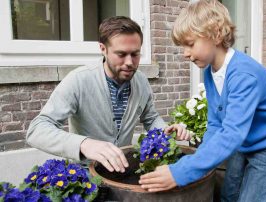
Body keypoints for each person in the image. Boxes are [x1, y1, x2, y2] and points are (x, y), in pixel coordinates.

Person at [139, 1, 266, 201]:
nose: (185, 53)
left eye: (190, 44)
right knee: (229, 193)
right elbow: (215, 124)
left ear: (216, 34)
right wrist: (200, 159)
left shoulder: (243, 75)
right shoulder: (209, 72)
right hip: (243, 137)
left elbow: (232, 133)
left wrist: (181, 171)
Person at [26, 16, 189, 173]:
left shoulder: (141, 81)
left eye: (135, 54)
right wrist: (84, 144)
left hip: (123, 170)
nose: (130, 62)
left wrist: (164, 130)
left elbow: (150, 118)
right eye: (121, 54)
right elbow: (37, 130)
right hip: (85, 174)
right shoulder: (78, 80)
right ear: (103, 49)